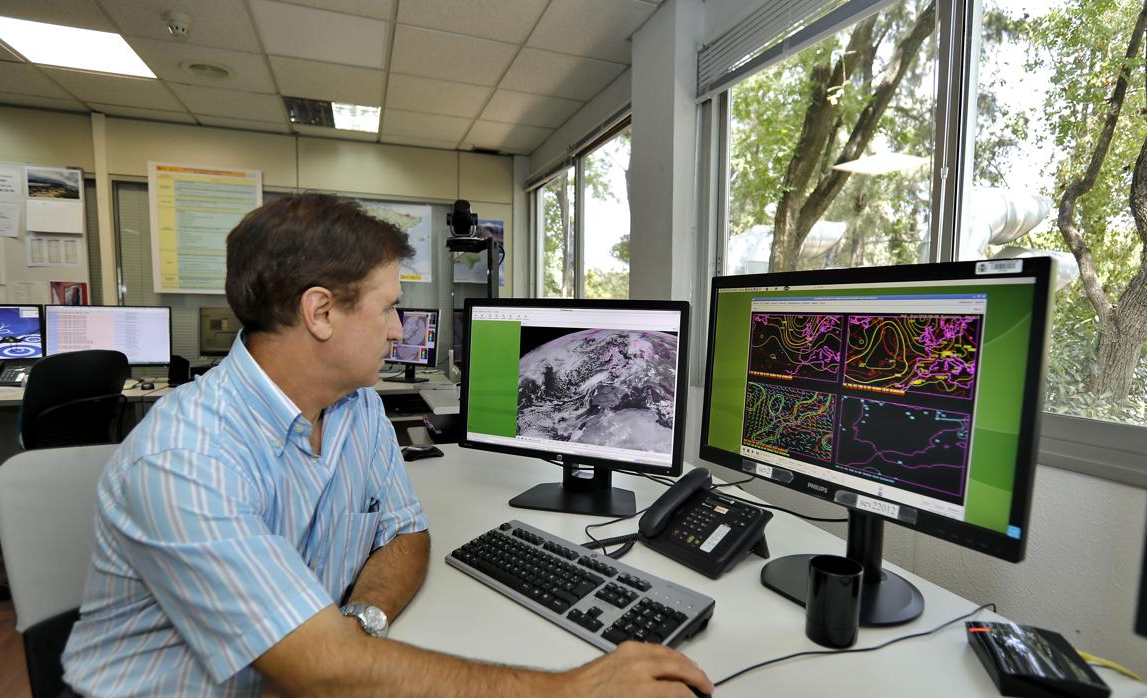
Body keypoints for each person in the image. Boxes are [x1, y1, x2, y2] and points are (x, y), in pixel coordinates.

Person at [61, 193, 713, 697]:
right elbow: (324, 674)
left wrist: (361, 623)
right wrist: (571, 688)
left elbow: (404, 532)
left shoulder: (356, 407)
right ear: (321, 313)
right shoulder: (185, 458)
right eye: (388, 308)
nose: (402, 330)